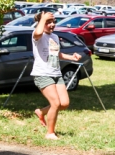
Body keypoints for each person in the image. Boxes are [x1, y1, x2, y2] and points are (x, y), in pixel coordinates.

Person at [32, 12, 82, 140]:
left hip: (56, 73)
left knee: (64, 104)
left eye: (53, 22)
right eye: (49, 22)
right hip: (42, 74)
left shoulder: (54, 37)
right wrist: (43, 19)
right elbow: (37, 33)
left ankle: (41, 111)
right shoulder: (38, 35)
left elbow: (56, 54)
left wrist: (72, 57)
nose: (52, 25)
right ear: (41, 23)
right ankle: (50, 133)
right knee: (55, 103)